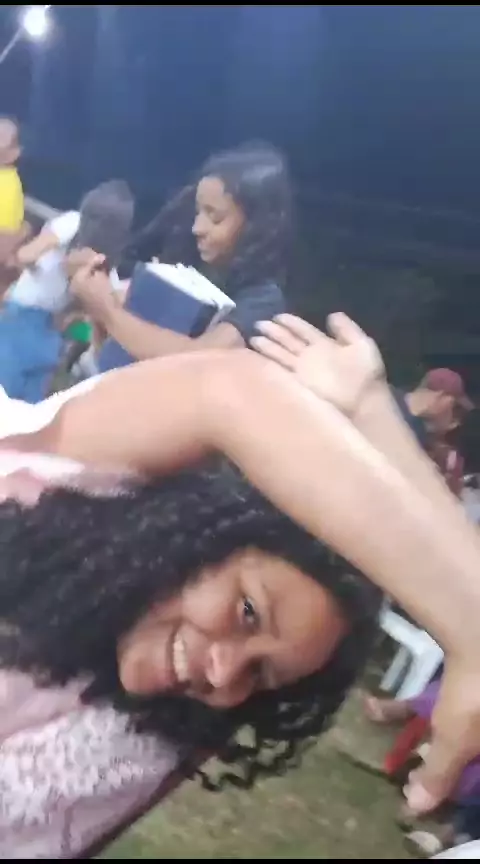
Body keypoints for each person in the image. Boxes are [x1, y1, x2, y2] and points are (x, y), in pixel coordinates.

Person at [2, 294, 480, 845]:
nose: (224, 672)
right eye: (247, 611)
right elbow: (225, 394)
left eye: (260, 673)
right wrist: (469, 629)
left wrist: (373, 414)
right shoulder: (42, 495)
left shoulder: (162, 729)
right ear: (191, 541)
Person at [71, 141, 290, 371]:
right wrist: (100, 299)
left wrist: (108, 310)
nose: (197, 228)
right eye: (198, 212)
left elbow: (199, 358)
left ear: (256, 226)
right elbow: (118, 342)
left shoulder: (263, 300)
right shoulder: (185, 265)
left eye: (215, 218)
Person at [0, 180, 134, 403]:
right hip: (54, 335)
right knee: (26, 410)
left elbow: (25, 255)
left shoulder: (71, 222)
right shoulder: (106, 263)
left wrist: (37, 270)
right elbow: (103, 320)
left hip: (24, 314)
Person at [393, 368, 473, 451]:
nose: (455, 423)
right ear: (440, 396)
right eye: (454, 409)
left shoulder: (389, 393)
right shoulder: (414, 439)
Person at [0, 117, 30, 296]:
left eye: (3, 137)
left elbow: (3, 248)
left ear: (15, 153)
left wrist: (23, 232)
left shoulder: (6, 189)